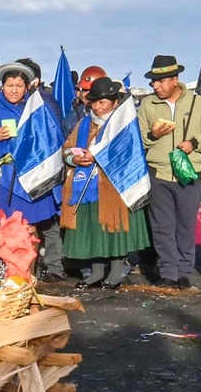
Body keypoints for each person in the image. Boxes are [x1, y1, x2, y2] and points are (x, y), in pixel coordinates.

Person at [139, 53, 201, 287]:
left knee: (186, 225)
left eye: (160, 81)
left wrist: (194, 143)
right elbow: (139, 138)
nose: (155, 86)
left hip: (189, 173)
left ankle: (184, 272)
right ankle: (168, 272)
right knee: (162, 226)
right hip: (159, 173)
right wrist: (153, 135)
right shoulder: (147, 105)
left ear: (175, 80)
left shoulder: (198, 103)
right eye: (153, 82)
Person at [60, 76, 148, 286]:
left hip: (113, 186)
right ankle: (96, 272)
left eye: (102, 103)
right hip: (87, 185)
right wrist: (74, 159)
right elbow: (67, 148)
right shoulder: (84, 124)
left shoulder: (122, 125)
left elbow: (126, 151)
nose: (97, 107)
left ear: (115, 103)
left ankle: (116, 272)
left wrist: (96, 155)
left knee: (113, 227)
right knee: (93, 229)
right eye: (94, 102)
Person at [0, 60, 61, 240]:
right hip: (2, 179)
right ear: (2, 86)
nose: (13, 90)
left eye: (19, 86)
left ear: (26, 88)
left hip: (32, 174)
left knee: (29, 229)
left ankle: (28, 259)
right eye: (9, 85)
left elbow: (51, 139)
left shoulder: (37, 108)